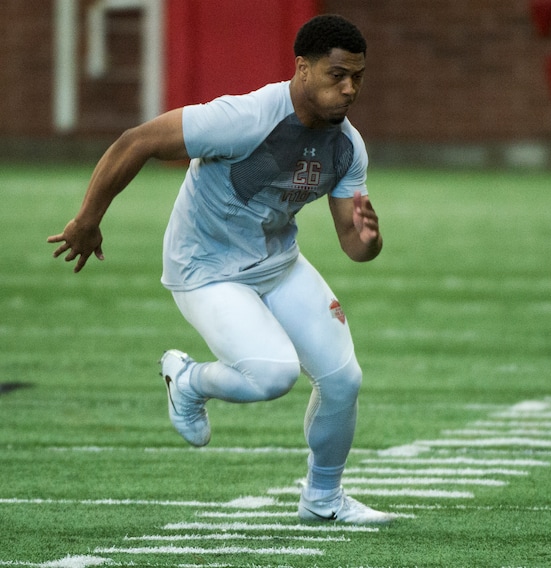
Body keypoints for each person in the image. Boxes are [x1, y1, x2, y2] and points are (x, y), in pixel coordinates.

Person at [48, 14, 394, 525]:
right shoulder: (246, 117)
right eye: (336, 75)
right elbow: (136, 141)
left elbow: (354, 246)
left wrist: (371, 237)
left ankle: (323, 501)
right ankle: (187, 381)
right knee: (272, 374)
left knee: (344, 381)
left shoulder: (347, 147)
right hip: (206, 268)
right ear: (302, 68)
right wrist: (88, 220)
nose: (349, 89)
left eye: (357, 78)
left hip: (277, 264)